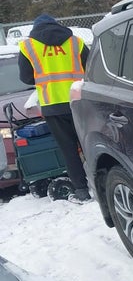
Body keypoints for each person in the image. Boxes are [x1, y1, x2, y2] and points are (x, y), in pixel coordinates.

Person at [18, 14, 90, 203]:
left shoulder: (28, 46)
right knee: (89, 143)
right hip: (79, 100)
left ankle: (82, 190)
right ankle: (102, 181)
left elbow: (26, 77)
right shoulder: (75, 42)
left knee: (69, 149)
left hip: (53, 105)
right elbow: (90, 66)